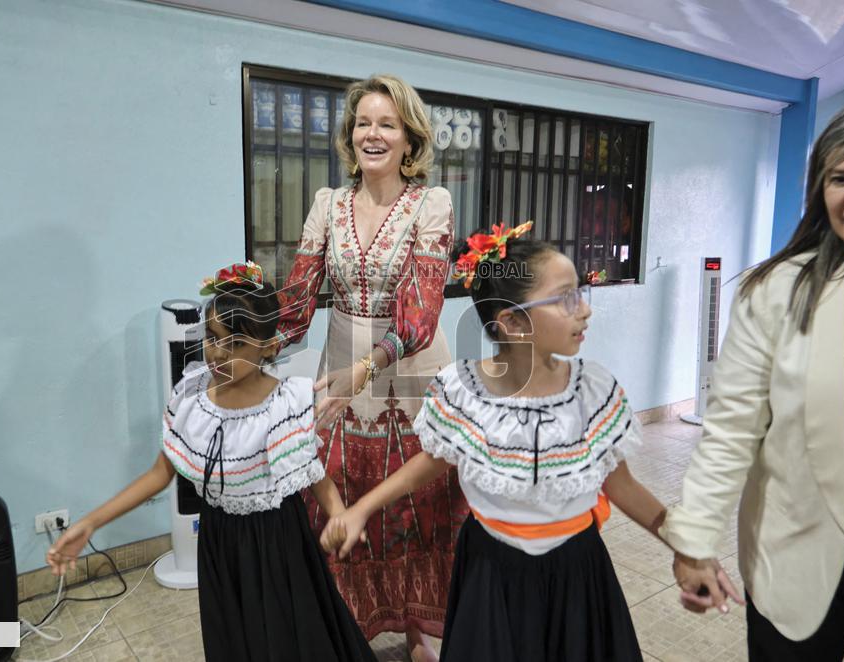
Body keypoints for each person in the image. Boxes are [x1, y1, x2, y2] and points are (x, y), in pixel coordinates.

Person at [322, 224, 677, 661]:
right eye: (566, 298)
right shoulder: (462, 391)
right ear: (511, 322)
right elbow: (434, 460)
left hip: (577, 574)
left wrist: (684, 543)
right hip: (492, 573)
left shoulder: (593, 392)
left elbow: (621, 486)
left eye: (581, 293)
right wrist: (361, 508)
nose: (584, 310)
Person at [47, 263, 376, 662]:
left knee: (285, 637)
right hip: (219, 540)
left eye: (235, 344)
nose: (218, 353)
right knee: (234, 635)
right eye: (212, 337)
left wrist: (340, 515)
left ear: (269, 347)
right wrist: (89, 522)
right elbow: (159, 474)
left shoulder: (285, 404)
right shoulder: (192, 397)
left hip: (277, 543)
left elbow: (314, 476)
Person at [276, 73, 466, 660]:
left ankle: (417, 631)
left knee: (419, 505)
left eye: (387, 124)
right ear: (349, 134)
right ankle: (348, 628)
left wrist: (371, 364)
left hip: (410, 372)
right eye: (363, 123)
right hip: (340, 375)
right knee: (342, 498)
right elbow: (299, 295)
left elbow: (422, 311)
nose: (373, 134)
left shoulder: (431, 203)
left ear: (410, 139)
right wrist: (244, 347)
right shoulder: (325, 205)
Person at [662, 101, 844, 660]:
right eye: (841, 177)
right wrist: (694, 542)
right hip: (799, 549)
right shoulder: (777, 292)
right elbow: (730, 430)